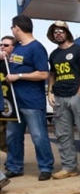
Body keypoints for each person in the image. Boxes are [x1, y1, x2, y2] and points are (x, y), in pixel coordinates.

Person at [4, 15, 54, 181]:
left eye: (12, 27)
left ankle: (46, 167)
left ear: (17, 28)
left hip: (32, 101)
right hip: (14, 103)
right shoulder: (17, 48)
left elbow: (43, 73)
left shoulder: (36, 48)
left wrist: (18, 76)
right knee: (13, 136)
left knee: (39, 136)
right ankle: (14, 167)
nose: (12, 30)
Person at [46, 21, 80, 180]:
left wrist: (78, 95)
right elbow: (52, 74)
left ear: (67, 33)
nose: (58, 34)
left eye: (61, 31)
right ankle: (69, 167)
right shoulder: (53, 55)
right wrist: (50, 91)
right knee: (63, 134)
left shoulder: (79, 51)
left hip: (78, 98)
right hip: (60, 97)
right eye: (55, 32)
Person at [0, 35, 18, 153]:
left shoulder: (15, 61)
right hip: (1, 102)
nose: (2, 47)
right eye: (1, 45)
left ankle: (12, 161)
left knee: (11, 135)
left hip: (12, 103)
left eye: (6, 45)